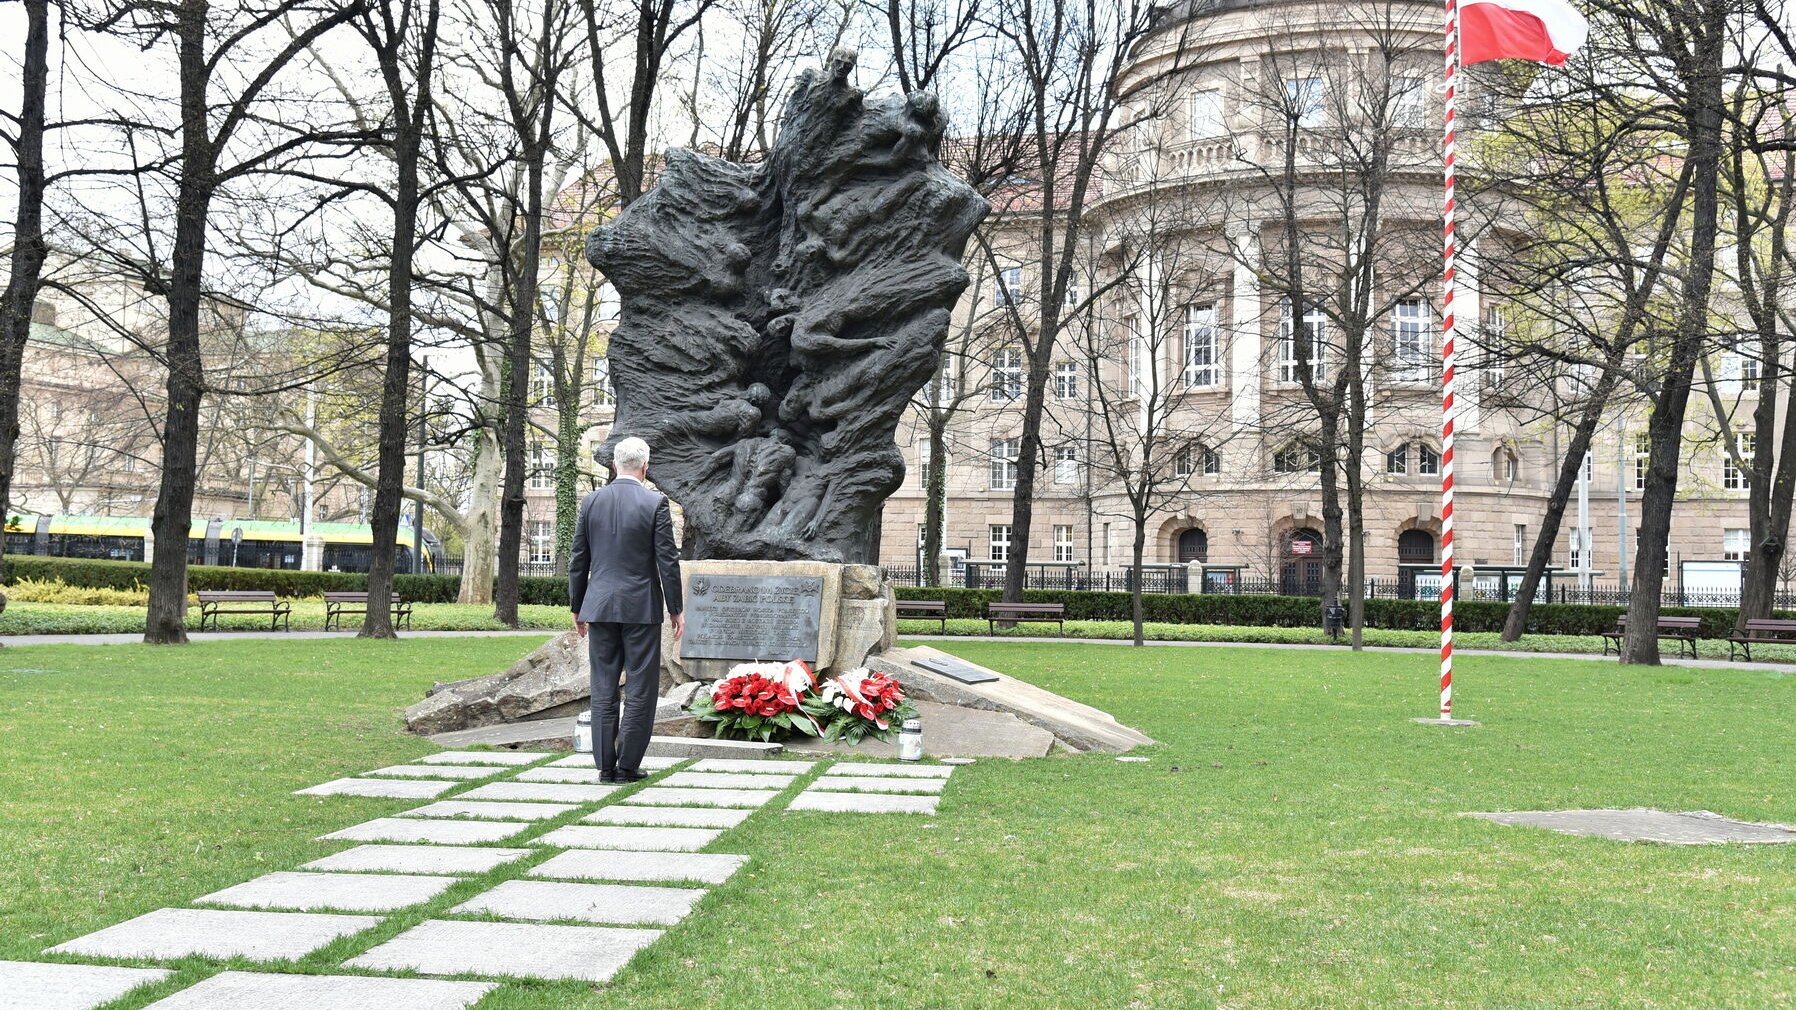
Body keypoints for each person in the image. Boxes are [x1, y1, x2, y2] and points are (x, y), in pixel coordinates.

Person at [567, 436, 684, 782]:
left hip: (599, 606)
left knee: (603, 684)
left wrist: (577, 605)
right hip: (640, 607)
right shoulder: (655, 503)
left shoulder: (591, 502)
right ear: (645, 468)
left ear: (615, 465)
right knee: (640, 687)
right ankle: (628, 765)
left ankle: (605, 766)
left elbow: (579, 559)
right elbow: (667, 560)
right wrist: (676, 608)